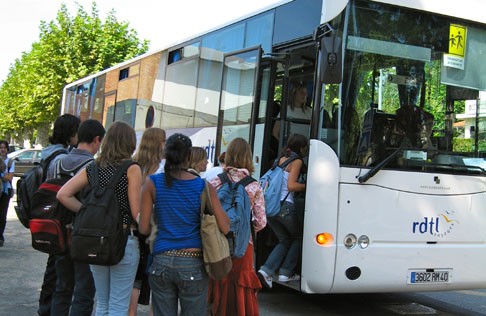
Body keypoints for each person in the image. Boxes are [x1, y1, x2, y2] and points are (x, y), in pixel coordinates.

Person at [57, 121, 143, 316]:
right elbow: (136, 213)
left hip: (95, 240)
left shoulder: (93, 167)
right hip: (123, 239)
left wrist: (87, 211)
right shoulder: (131, 168)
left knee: (102, 304)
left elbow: (63, 194)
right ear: (130, 143)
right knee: (119, 306)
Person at [139, 133, 229, 316]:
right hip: (193, 262)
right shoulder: (204, 186)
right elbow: (225, 226)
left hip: (161, 260)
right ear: (189, 156)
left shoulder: (152, 183)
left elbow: (143, 228)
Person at [50, 119, 105, 316]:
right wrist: (84, 210)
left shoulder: (58, 162)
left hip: (57, 232)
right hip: (82, 235)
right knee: (83, 291)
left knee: (62, 288)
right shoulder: (92, 166)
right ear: (97, 140)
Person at [208, 137, 267, 316]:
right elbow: (261, 221)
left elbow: (206, 211)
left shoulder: (215, 181)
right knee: (240, 282)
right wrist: (244, 230)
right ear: (248, 157)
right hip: (243, 245)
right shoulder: (254, 185)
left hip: (218, 242)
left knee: (219, 279)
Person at [38, 113, 81, 316]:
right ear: (70, 132)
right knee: (57, 271)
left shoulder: (48, 153)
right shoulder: (62, 158)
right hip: (58, 215)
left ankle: (45, 308)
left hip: (47, 214)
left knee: (53, 266)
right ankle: (47, 309)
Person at [257, 133, 308, 289]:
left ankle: (266, 271)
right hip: (285, 207)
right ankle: (286, 272)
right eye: (305, 147)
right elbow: (292, 186)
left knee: (285, 240)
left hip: (271, 207)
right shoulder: (297, 161)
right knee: (299, 237)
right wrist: (309, 185)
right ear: (301, 147)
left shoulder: (280, 160)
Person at [130, 127, 166, 316]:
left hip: (135, 225)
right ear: (159, 144)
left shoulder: (134, 164)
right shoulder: (162, 168)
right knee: (158, 277)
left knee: (135, 277)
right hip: (156, 228)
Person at [0, 140, 14, 247]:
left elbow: (9, 177)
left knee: (2, 214)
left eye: (4, 148)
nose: (3, 150)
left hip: (5, 191)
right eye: (1, 148)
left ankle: (0, 236)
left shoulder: (10, 162)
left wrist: (2, 176)